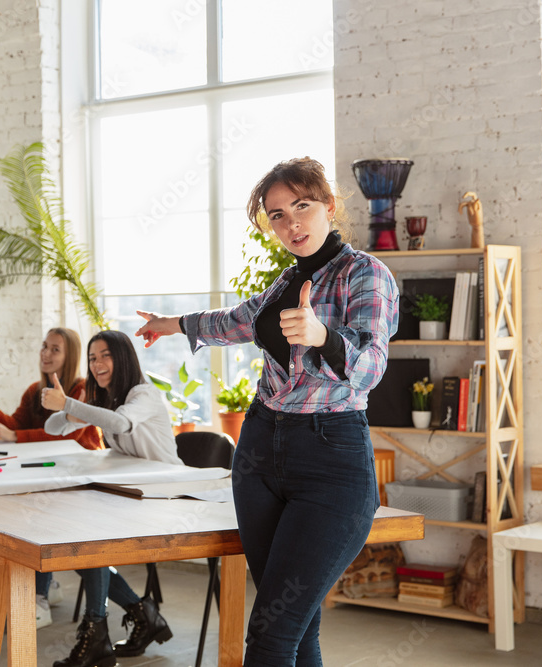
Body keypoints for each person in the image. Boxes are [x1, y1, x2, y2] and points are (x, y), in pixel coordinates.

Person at [135, 157, 399, 666]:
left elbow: (371, 368)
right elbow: (236, 320)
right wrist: (173, 324)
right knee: (299, 631)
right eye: (277, 214)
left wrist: (324, 336)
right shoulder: (284, 283)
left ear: (328, 205)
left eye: (302, 206)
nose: (291, 223)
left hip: (331, 461)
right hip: (259, 457)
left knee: (271, 635)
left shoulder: (365, 274)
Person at [43, 330, 178, 667]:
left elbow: (121, 424)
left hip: (170, 499)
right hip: (134, 495)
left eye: (105, 355)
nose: (98, 364)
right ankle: (140, 615)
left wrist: (75, 406)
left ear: (123, 358)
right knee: (76, 545)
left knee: (88, 539)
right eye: (92, 358)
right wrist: (69, 412)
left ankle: (97, 633)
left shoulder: (143, 394)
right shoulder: (105, 400)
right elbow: (52, 427)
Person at [0, 327, 101, 626]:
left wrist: (14, 436)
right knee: (28, 518)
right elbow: (17, 424)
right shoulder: (34, 390)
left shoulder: (82, 390)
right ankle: (42, 590)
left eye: (55, 349)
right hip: (50, 478)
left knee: (41, 526)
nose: (46, 353)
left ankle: (38, 598)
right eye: (44, 346)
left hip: (83, 482)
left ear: (70, 357)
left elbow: (61, 437)